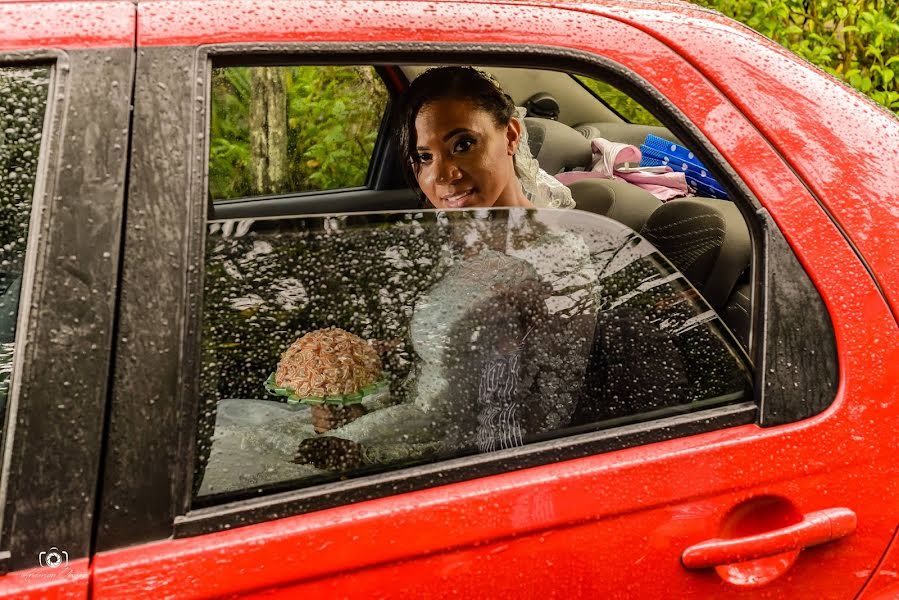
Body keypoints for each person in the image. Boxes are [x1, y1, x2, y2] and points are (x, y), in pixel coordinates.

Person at [396, 66, 575, 210]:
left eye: (463, 145)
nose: (442, 176)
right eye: (424, 157)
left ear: (511, 136)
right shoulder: (436, 238)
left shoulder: (556, 249)